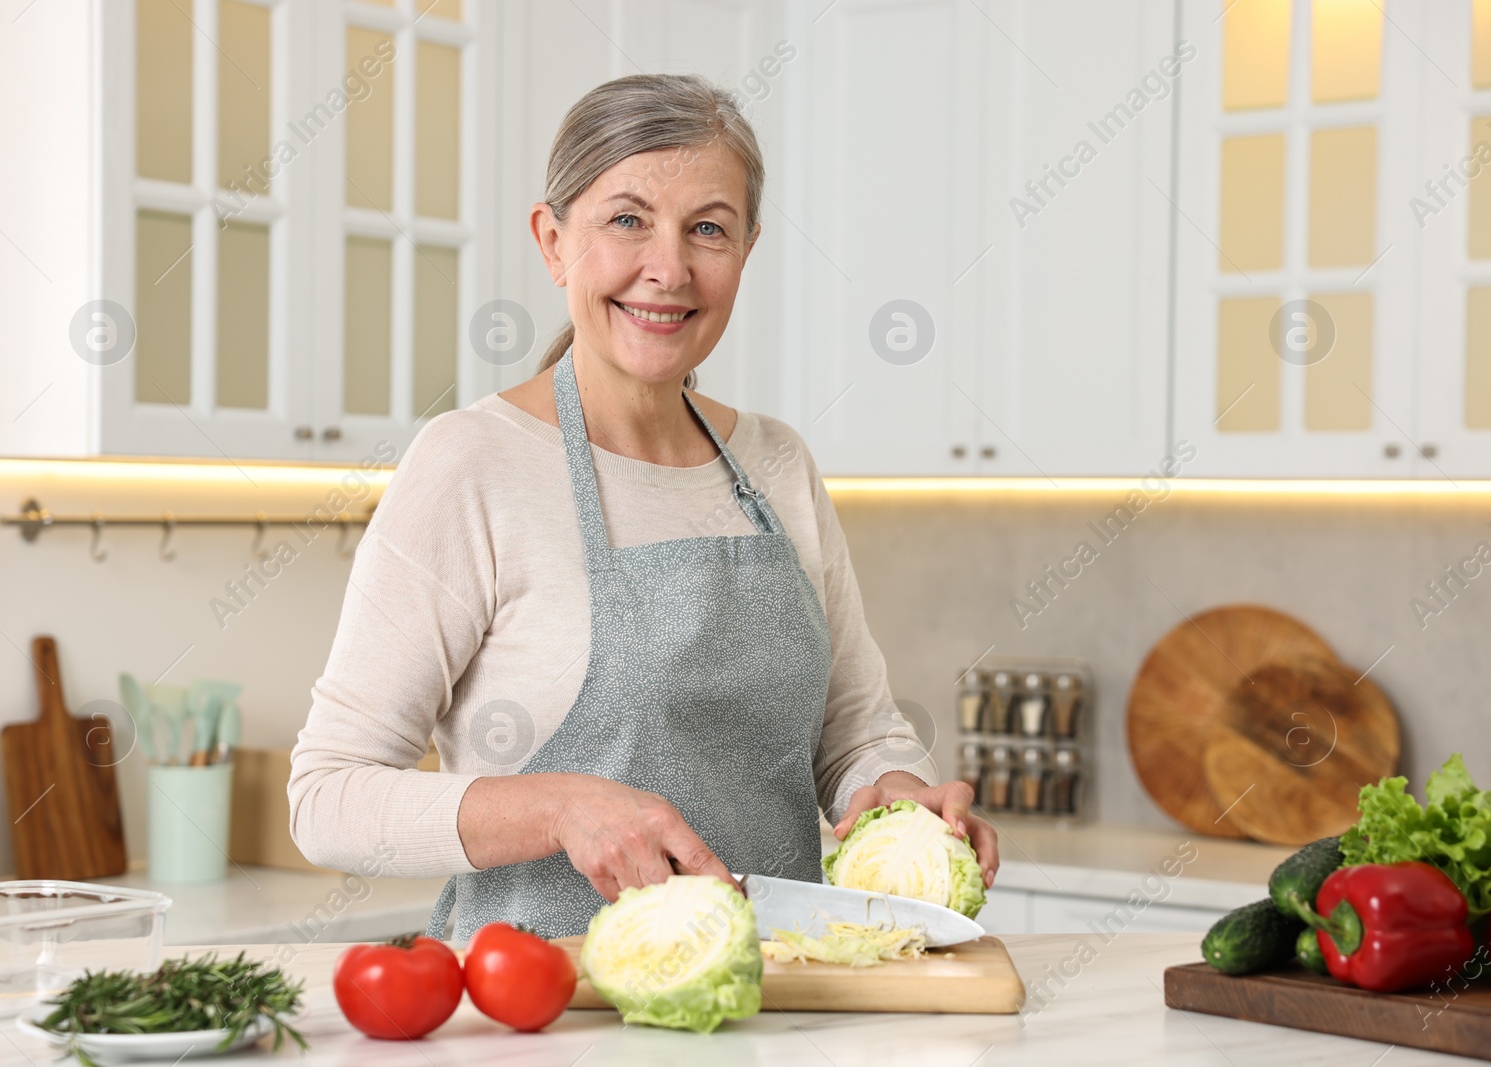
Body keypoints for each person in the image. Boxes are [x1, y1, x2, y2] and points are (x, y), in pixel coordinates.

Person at [289, 72, 999, 941]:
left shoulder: (777, 464)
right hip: (542, 1012)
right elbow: (328, 797)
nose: (669, 268)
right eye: (627, 219)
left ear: (747, 249)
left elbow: (854, 735)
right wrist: (559, 810)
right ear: (553, 241)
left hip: (780, 1001)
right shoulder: (472, 465)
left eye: (709, 228)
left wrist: (897, 798)